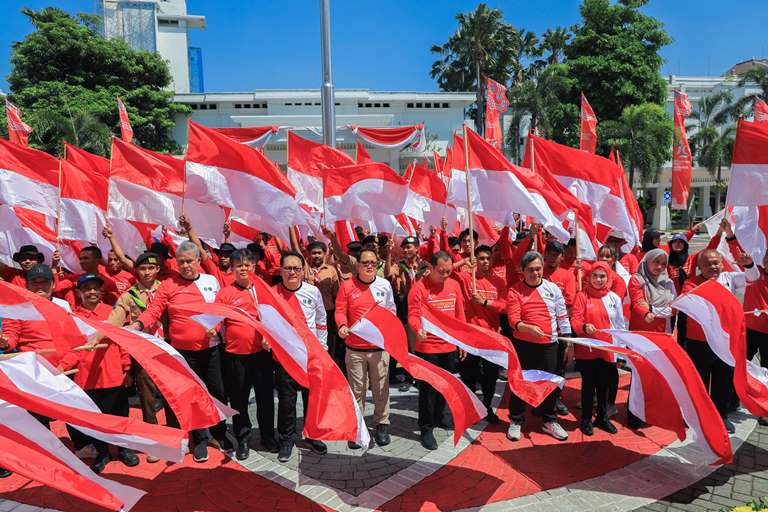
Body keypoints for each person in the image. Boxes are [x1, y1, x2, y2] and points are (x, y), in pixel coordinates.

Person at [129, 241, 232, 463]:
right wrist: (138, 324)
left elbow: (221, 310)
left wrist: (215, 327)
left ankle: (220, 433)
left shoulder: (210, 282)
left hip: (211, 349)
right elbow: (154, 310)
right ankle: (200, 439)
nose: (185, 266)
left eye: (189, 261)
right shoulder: (168, 284)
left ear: (198, 261)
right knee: (192, 397)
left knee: (217, 392)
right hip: (183, 354)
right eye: (181, 262)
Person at [58, 274, 139, 474]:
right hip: (87, 379)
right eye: (87, 288)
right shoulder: (73, 318)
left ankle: (123, 449)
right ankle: (103, 452)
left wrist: (127, 367)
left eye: (95, 288)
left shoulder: (113, 312)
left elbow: (123, 341)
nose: (92, 292)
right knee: (95, 419)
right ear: (79, 292)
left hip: (113, 375)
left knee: (120, 415)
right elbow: (72, 349)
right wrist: (62, 368)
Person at [681, 248, 760, 433]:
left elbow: (753, 277)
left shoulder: (730, 278)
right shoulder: (691, 283)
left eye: (716, 263)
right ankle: (698, 415)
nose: (712, 267)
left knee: (723, 380)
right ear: (700, 266)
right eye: (707, 264)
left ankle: (720, 415)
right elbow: (689, 302)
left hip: (725, 340)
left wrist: (748, 264)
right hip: (699, 341)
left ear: (721, 263)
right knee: (699, 380)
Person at [215, 249, 278, 459]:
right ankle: (243, 437)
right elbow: (215, 321)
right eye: (239, 265)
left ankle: (268, 435)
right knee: (239, 399)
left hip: (261, 355)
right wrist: (210, 328)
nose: (244, 268)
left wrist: (270, 335)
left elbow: (274, 319)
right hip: (235, 356)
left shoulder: (262, 291)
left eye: (247, 264)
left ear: (254, 267)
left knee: (265, 398)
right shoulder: (225, 293)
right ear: (232, 269)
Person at [104, 252, 165, 462]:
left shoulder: (166, 289)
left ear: (157, 269)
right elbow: (116, 317)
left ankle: (180, 435)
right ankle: (154, 443)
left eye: (151, 268)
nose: (147, 272)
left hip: (170, 350)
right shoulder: (129, 295)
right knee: (148, 399)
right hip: (144, 353)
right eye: (142, 269)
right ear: (136, 271)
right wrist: (99, 333)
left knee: (173, 395)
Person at [506, 251, 572, 442]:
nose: (535, 273)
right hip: (523, 345)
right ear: (522, 271)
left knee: (549, 384)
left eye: (538, 269)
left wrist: (567, 342)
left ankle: (549, 420)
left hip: (549, 345)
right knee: (519, 383)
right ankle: (516, 420)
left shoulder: (553, 289)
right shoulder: (515, 291)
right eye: (530, 270)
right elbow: (513, 321)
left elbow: (562, 317)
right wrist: (528, 328)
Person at [336, 248, 396, 449]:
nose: (369, 266)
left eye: (373, 263)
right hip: (355, 349)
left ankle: (382, 424)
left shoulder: (384, 285)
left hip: (379, 348)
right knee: (357, 390)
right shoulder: (346, 286)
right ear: (358, 265)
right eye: (365, 263)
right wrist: (342, 325)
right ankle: (358, 427)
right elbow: (339, 311)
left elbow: (392, 312)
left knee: (381, 389)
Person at [273, 251, 329, 461]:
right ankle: (286, 439)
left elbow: (322, 320)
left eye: (297, 268)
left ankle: (313, 434)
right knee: (287, 401)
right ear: (281, 270)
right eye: (288, 268)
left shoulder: (313, 292)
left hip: (311, 355)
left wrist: (322, 347)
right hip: (285, 357)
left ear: (303, 270)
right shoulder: (273, 293)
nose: (292, 272)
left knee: (312, 398)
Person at [408, 251, 465, 450]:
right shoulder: (419, 288)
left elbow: (459, 316)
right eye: (441, 271)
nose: (445, 275)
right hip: (427, 347)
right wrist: (418, 330)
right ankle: (426, 427)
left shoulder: (454, 285)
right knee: (428, 390)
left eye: (449, 271)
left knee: (446, 385)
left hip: (449, 346)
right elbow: (413, 315)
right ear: (430, 268)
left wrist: (461, 342)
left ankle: (441, 416)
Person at [570, 262, 626, 436]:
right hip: (587, 350)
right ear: (589, 277)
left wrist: (621, 350)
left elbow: (619, 326)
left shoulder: (614, 298)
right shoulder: (581, 296)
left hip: (607, 349)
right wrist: (583, 327)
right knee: (588, 385)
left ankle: (602, 417)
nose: (598, 279)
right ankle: (586, 418)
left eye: (602, 276)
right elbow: (575, 320)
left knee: (604, 386)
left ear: (608, 278)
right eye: (595, 276)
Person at [454, 245, 507, 423]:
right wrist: (463, 261)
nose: (485, 261)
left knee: (490, 376)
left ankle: (487, 406)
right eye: (481, 258)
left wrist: (485, 303)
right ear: (476, 260)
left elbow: (506, 306)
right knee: (468, 375)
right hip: (469, 336)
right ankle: (471, 408)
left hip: (491, 336)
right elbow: (445, 271)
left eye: (487, 258)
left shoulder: (499, 282)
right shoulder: (466, 279)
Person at [542, 240, 577, 417]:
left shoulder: (568, 276)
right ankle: (541, 398)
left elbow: (569, 303)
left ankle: (556, 398)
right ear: (545, 254)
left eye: (557, 254)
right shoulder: (537, 272)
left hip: (559, 328)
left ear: (562, 257)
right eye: (550, 253)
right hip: (540, 329)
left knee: (559, 367)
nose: (552, 257)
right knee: (541, 366)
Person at [386, 235, 422, 392]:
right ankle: (410, 376)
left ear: (417, 248)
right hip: (405, 306)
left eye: (409, 247)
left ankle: (422, 376)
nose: (406, 250)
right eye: (404, 247)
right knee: (408, 344)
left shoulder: (424, 265)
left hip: (422, 308)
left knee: (421, 343)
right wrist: (388, 254)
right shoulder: (399, 265)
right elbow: (388, 273)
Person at [304, 240, 341, 369]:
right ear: (308, 254)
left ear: (325, 254)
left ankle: (328, 372)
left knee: (329, 346)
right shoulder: (303, 269)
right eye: (313, 253)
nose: (316, 256)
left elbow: (337, 295)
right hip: (309, 315)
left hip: (328, 314)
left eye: (319, 253)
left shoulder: (331, 270)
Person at [745, 252, 768, 426]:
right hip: (749, 329)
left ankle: (765, 409)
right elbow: (741, 255)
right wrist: (729, 234)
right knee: (739, 365)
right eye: (767, 258)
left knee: (767, 371)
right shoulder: (754, 273)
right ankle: (731, 401)